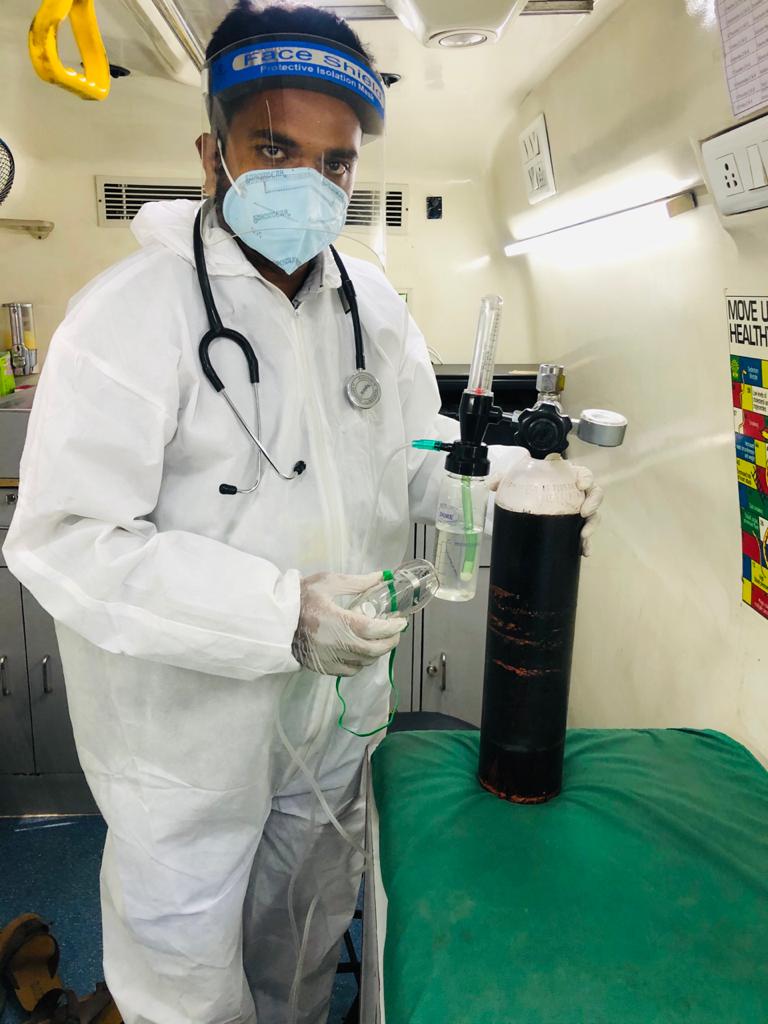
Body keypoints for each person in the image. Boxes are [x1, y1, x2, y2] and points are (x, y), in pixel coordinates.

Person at [3, 3, 602, 1022]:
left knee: (304, 945)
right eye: (275, 146)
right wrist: (277, 611)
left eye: (335, 163)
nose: (308, 183)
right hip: (189, 744)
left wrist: (509, 485)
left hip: (333, 725)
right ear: (212, 154)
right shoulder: (128, 318)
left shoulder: (372, 309)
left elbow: (420, 461)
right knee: (186, 986)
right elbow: (64, 543)